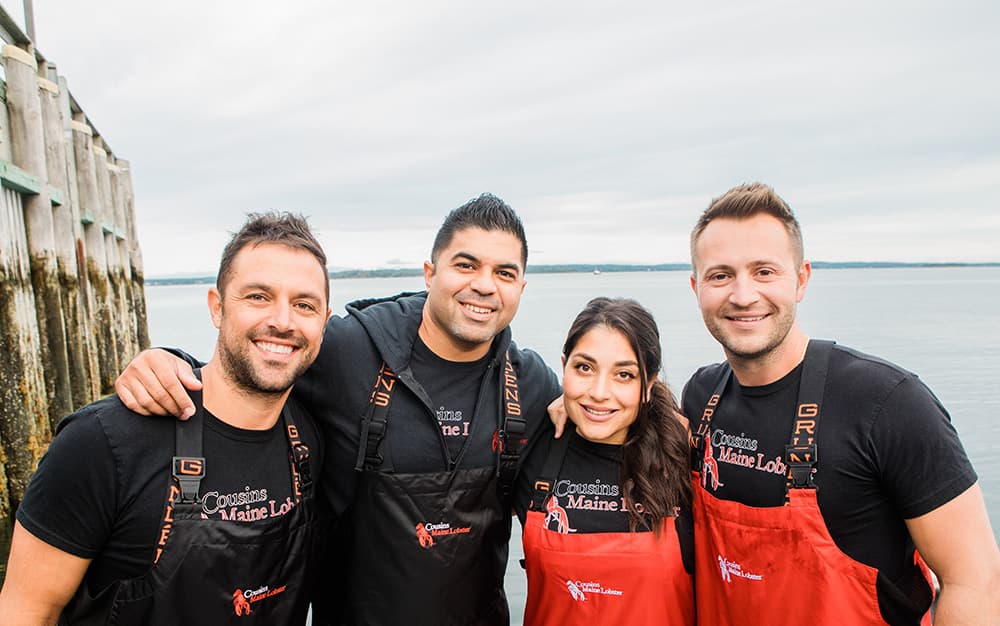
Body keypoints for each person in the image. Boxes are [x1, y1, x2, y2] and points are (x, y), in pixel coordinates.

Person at [112, 193, 562, 625]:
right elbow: (260, 362)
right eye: (466, 265)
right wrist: (170, 364)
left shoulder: (532, 384)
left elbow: (600, 435)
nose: (483, 285)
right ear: (430, 272)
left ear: (520, 287)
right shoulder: (348, 350)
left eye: (504, 273)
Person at [683, 182, 1000, 624]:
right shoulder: (700, 399)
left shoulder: (888, 403)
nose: (742, 294)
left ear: (802, 279)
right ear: (697, 287)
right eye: (721, 275)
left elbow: (974, 578)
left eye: (764, 271)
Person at [0, 212, 333, 624]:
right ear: (217, 307)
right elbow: (24, 611)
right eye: (258, 297)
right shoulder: (103, 443)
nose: (282, 321)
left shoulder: (309, 440)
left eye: (304, 305)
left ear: (324, 322)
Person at [515, 297, 694, 626]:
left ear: (649, 384)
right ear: (563, 366)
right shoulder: (532, 450)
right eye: (584, 368)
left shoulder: (685, 458)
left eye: (624, 375)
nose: (599, 392)